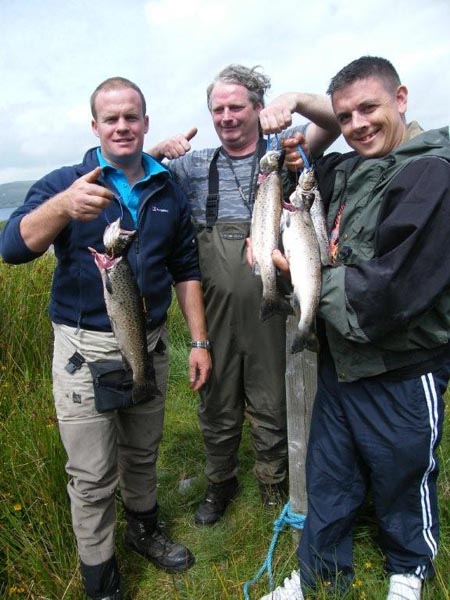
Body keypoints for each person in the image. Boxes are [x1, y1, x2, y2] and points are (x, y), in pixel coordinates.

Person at [0, 77, 212, 600]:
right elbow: (12, 247)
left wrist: (201, 341)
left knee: (143, 453)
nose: (122, 126)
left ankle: (143, 530)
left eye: (131, 117)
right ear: (94, 126)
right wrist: (63, 208)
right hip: (84, 351)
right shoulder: (65, 182)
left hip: (151, 342)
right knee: (93, 475)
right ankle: (101, 578)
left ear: (145, 122)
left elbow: (186, 267)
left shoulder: (166, 188)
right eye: (111, 118)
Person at [251, 56, 450, 600]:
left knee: (403, 474)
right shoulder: (347, 168)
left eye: (371, 108)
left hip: (403, 366)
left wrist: (303, 281)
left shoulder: (432, 173)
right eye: (346, 116)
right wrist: (293, 106)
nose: (358, 124)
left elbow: (396, 289)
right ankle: (318, 573)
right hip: (340, 361)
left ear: (402, 98)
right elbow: (307, 184)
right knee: (330, 474)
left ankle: (409, 567)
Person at [149, 64, 340, 525]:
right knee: (215, 399)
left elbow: (335, 119)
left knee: (272, 398)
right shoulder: (193, 166)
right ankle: (221, 482)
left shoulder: (289, 147)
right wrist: (158, 150)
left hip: (270, 304)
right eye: (218, 108)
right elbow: (132, 173)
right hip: (212, 306)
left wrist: (293, 99)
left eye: (237, 106)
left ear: (259, 108)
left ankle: (274, 482)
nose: (227, 116)